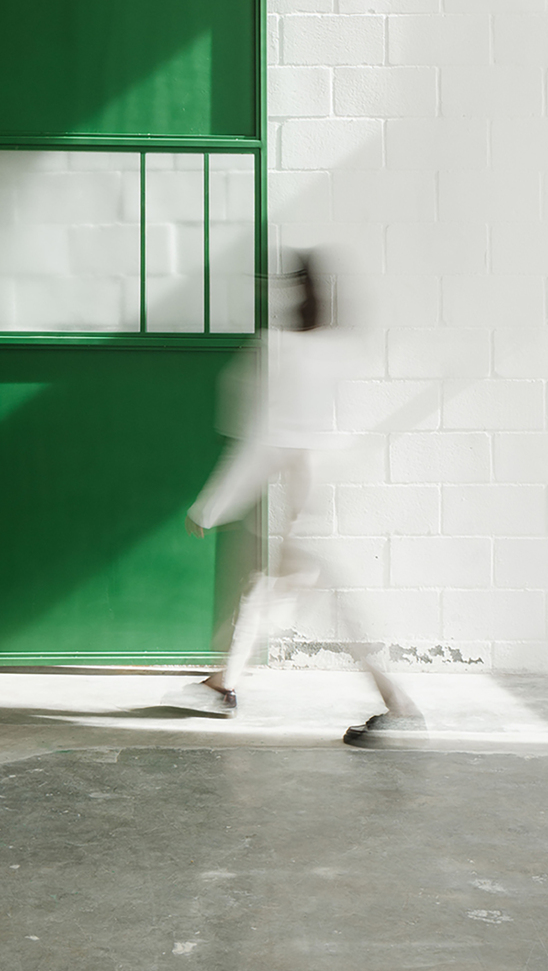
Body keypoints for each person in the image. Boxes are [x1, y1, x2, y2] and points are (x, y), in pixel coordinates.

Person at [180, 251, 423, 745]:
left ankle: (400, 705)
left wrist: (211, 505)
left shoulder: (279, 351)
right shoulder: (337, 348)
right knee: (265, 587)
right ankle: (225, 683)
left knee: (335, 606)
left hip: (310, 507)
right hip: (324, 493)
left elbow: (262, 442)